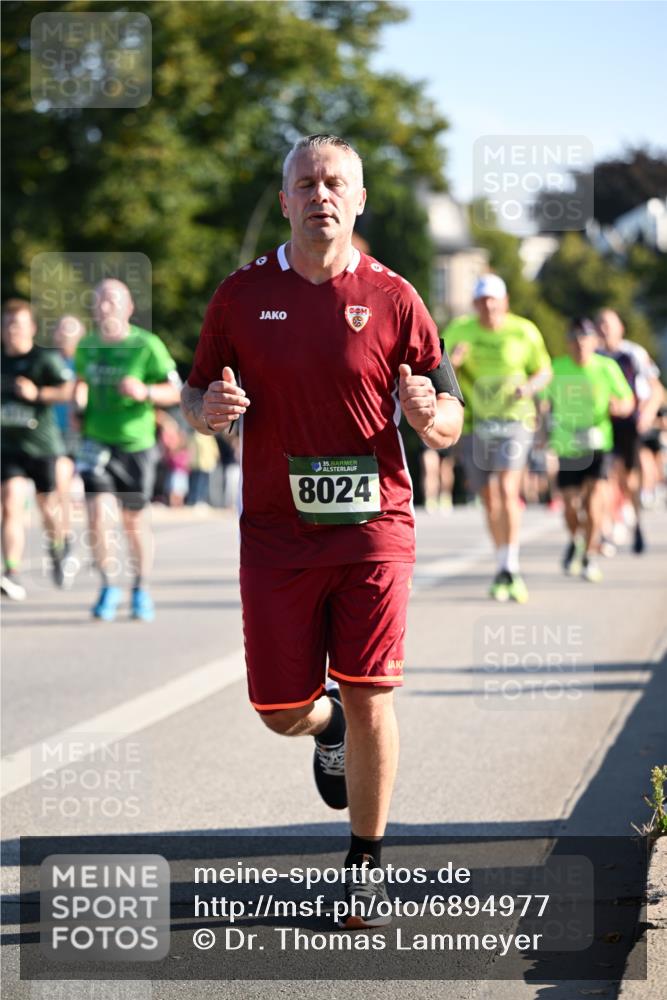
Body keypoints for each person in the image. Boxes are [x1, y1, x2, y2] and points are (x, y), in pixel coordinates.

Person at [181, 134, 464, 927]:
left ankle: (365, 860)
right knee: (278, 708)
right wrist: (205, 413)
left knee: (374, 689)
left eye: (335, 182)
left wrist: (428, 417)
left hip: (374, 526)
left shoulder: (396, 297)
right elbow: (194, 392)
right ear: (285, 201)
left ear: (359, 200)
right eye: (305, 183)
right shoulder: (240, 296)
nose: (320, 195)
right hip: (275, 534)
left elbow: (449, 412)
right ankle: (323, 722)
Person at [74, 279, 181, 621]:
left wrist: (145, 392)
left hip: (136, 445)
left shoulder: (146, 345)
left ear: (128, 308)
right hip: (96, 443)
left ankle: (140, 587)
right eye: (99, 300)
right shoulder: (86, 346)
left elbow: (176, 391)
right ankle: (108, 586)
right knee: (96, 517)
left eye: (112, 300)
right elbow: (80, 384)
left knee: (133, 522)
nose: (105, 306)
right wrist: (78, 408)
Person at [444, 274, 551, 603]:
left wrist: (530, 388)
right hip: (477, 423)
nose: (488, 306)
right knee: (490, 499)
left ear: (504, 301)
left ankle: (511, 565)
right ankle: (502, 562)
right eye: (482, 301)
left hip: (514, 419)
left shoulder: (524, 330)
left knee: (507, 489)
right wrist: (455, 363)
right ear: (475, 304)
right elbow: (438, 369)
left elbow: (544, 369)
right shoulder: (460, 330)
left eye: (493, 299)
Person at [545, 318, 633, 582]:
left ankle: (590, 555)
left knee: (594, 501)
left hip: (599, 443)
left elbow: (627, 399)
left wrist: (620, 407)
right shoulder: (557, 367)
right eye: (574, 340)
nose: (579, 345)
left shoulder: (606, 367)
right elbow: (541, 399)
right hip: (567, 444)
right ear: (568, 344)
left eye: (585, 339)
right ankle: (576, 540)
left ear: (595, 342)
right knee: (571, 505)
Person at [1, 299, 74, 599]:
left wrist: (37, 392)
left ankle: (59, 547)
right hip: (9, 446)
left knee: (48, 509)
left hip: (42, 446)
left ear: (31, 328)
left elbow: (68, 389)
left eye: (17, 324)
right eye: (6, 324)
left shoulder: (43, 359)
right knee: (9, 504)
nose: (11, 330)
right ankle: (12, 571)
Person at [595, 308, 663, 553]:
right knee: (607, 476)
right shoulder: (593, 354)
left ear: (620, 328)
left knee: (630, 479)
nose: (604, 329)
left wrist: (646, 414)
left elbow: (656, 388)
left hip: (630, 423)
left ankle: (636, 522)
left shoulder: (633, 353)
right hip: (602, 424)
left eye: (608, 325)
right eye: (600, 324)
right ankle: (607, 528)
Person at [52, 314, 86, 567]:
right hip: (55, 435)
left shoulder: (87, 363)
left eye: (70, 331)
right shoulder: (48, 363)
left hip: (87, 434)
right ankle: (63, 540)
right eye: (61, 330)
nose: (65, 335)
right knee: (59, 487)